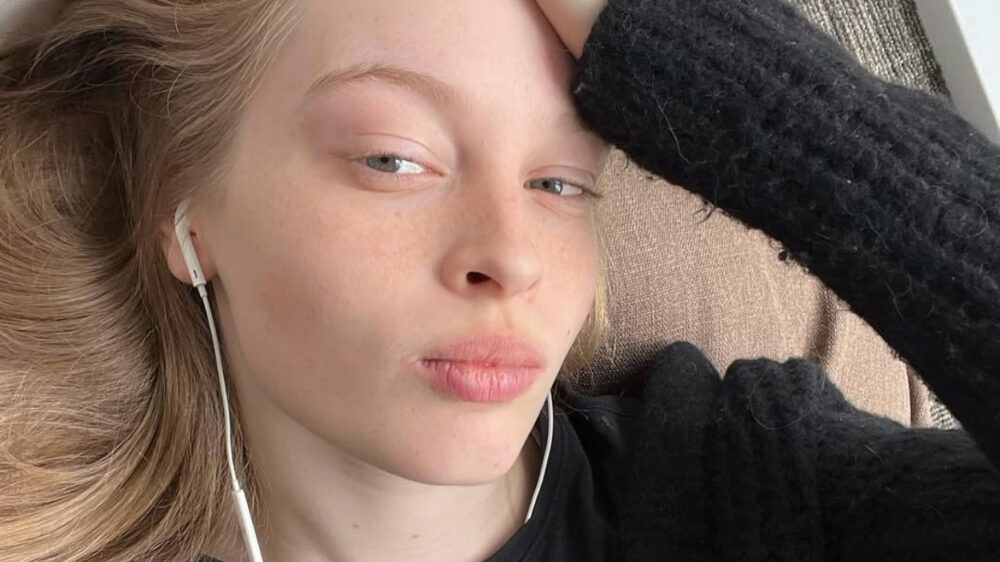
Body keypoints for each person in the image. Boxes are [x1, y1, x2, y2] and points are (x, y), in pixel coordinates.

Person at [0, 1, 996, 562]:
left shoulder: (753, 496)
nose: (512, 256)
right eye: (394, 158)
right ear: (186, 215)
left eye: (561, 183)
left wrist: (736, 84)